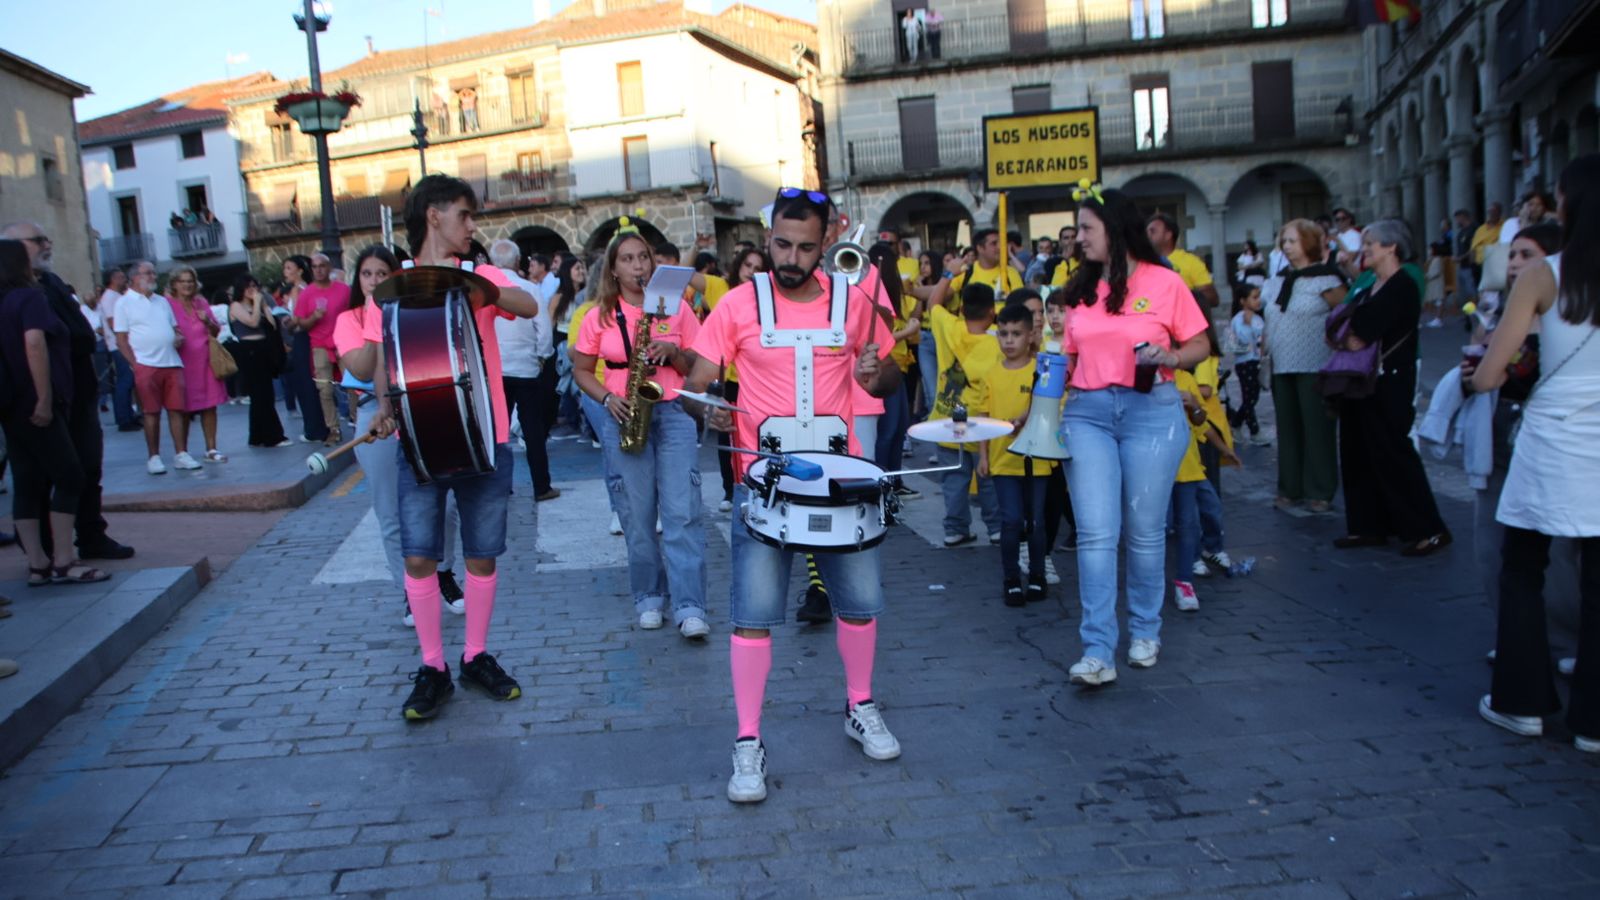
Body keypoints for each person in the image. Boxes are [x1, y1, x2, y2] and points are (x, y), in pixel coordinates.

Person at [683, 186, 903, 804]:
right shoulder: (736, 305)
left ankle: (860, 706)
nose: (791, 257)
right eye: (781, 243)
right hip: (763, 484)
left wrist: (871, 373)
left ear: (827, 242)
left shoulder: (854, 302)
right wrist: (715, 408)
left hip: (840, 481)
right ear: (768, 235)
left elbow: (887, 368)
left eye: (806, 247)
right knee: (752, 617)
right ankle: (747, 740)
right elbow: (700, 381)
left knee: (859, 603)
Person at [368, 174, 539, 720]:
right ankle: (433, 665)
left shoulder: (480, 272)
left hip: (486, 436)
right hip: (418, 439)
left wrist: (485, 291)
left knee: (482, 555)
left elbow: (527, 305)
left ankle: (475, 654)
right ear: (434, 216)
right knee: (419, 555)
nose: (472, 225)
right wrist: (384, 407)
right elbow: (384, 359)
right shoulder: (395, 285)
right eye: (464, 215)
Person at [1055, 186, 1210, 686]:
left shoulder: (1165, 282)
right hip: (1088, 414)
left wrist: (1172, 359)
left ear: (1115, 230)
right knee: (1097, 534)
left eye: (1086, 229)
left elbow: (1201, 343)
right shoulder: (1078, 286)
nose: (1078, 239)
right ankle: (1098, 649)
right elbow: (1071, 357)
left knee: (1144, 532)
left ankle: (1146, 629)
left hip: (1152, 411)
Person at [1472, 153, 1600, 752]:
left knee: (1523, 567)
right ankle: (1594, 722)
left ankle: (1521, 701)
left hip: (1554, 440)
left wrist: (1482, 377)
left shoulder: (1545, 274)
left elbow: (1493, 371)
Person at [572, 224, 709, 639]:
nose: (638, 266)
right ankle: (649, 597)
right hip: (624, 414)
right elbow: (580, 370)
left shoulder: (676, 307)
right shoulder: (597, 315)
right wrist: (607, 399)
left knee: (682, 512)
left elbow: (699, 368)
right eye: (627, 260)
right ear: (613, 269)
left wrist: (675, 352)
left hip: (672, 412)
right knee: (637, 515)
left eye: (643, 258)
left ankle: (689, 606)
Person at [2, 223, 132, 560]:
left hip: (74, 391)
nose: (48, 244)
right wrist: (44, 398)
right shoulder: (21, 293)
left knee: (85, 468)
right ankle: (52, 555)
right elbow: (34, 343)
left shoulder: (49, 282)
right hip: (40, 398)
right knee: (52, 476)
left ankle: (82, 539)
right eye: (38, 240)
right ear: (14, 249)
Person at [1331, 219, 1450, 556]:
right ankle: (1369, 525)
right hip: (1362, 379)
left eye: (1371, 243)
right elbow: (1343, 325)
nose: (1364, 249)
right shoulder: (1370, 283)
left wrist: (1352, 327)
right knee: (1357, 449)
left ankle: (1427, 527)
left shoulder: (1403, 284)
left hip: (1390, 377)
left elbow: (1362, 328)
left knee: (1392, 450)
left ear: (1391, 247)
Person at [1262, 219, 1346, 513]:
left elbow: (1346, 315)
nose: (1286, 247)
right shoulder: (1275, 281)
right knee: (1287, 428)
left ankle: (1320, 489)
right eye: (1283, 241)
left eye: (1292, 241)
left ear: (1308, 243)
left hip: (1315, 363)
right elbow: (1270, 319)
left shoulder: (1327, 280)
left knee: (1317, 428)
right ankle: (1290, 487)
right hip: (1281, 363)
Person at [975, 303, 1055, 606]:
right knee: (1010, 521)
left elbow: (1050, 405)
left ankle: (1037, 576)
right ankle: (1010, 578)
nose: (1009, 340)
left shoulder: (1042, 368)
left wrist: (1026, 417)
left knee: (1035, 522)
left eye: (1016, 334)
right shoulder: (991, 374)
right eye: (1004, 334)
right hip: (1003, 461)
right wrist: (983, 456)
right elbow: (982, 418)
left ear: (1030, 335)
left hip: (1037, 460)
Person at [929, 283, 1002, 546]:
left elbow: (933, 305)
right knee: (988, 476)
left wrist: (949, 275)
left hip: (947, 422)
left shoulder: (950, 327)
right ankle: (996, 527)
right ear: (992, 312)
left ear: (961, 309)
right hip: (982, 424)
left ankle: (955, 528)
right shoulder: (997, 342)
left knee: (953, 479)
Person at [490, 240, 560, 503]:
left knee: (498, 432)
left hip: (497, 369)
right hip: (527, 368)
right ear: (518, 261)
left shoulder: (487, 291)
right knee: (533, 431)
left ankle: (499, 485)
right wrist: (542, 356)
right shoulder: (529, 288)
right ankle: (541, 486)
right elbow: (543, 330)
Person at [114, 261, 198, 474]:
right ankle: (154, 456)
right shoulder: (123, 303)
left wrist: (177, 336)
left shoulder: (162, 301)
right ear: (135, 277)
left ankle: (181, 453)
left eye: (153, 273)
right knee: (150, 412)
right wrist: (135, 364)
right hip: (146, 364)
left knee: (177, 410)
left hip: (171, 361)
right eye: (148, 273)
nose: (153, 276)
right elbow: (121, 339)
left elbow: (174, 327)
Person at [706, 246, 769, 510]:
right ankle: (729, 490)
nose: (751, 272)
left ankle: (760, 484)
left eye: (758, 268)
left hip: (757, 379)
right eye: (748, 266)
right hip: (728, 379)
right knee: (727, 436)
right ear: (738, 267)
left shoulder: (768, 299)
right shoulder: (721, 288)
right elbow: (683, 274)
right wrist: (699, 247)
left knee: (757, 435)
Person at [164, 266, 229, 463]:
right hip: (181, 362)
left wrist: (207, 320)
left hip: (205, 361)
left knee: (210, 406)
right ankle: (182, 452)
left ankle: (211, 448)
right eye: (182, 281)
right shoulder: (166, 304)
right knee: (182, 407)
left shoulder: (201, 302)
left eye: (190, 281)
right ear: (174, 284)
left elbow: (216, 331)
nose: (187, 285)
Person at [228, 274, 290, 447]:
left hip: (263, 349)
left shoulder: (257, 304)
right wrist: (256, 304)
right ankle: (273, 436)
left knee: (263, 394)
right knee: (261, 394)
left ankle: (257, 436)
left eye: (255, 286)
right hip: (248, 350)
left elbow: (271, 324)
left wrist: (263, 305)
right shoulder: (235, 306)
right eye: (248, 287)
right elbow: (253, 322)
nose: (252, 290)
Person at [294, 253, 350, 446]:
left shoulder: (343, 290)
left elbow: (354, 312)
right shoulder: (307, 294)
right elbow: (300, 323)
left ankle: (358, 421)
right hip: (319, 346)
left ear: (329, 268)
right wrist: (314, 318)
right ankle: (333, 429)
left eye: (322, 266)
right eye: (315, 267)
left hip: (343, 343)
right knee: (324, 389)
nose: (318, 270)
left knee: (352, 385)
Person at [1146, 213, 1220, 312]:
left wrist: (1178, 298)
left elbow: (1213, 299)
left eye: (1152, 231)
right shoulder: (1141, 263)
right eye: (1146, 232)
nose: (1147, 236)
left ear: (1168, 235)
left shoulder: (1191, 262)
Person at [278, 255, 317, 432]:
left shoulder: (299, 290)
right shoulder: (305, 288)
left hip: (302, 336)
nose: (285, 272)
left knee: (305, 382)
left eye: (288, 268)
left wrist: (289, 322)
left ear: (299, 270)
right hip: (305, 336)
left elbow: (299, 317)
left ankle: (313, 427)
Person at [99, 267, 139, 432]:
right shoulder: (109, 297)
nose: (125, 280)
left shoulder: (116, 296)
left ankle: (128, 415)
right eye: (122, 277)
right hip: (118, 344)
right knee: (125, 380)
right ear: (113, 279)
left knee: (127, 381)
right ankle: (123, 418)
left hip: (122, 343)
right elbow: (112, 322)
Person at [1228, 283, 1267, 444]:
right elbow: (1244, 341)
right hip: (1245, 362)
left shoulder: (1257, 317)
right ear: (1243, 301)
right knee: (1249, 397)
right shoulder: (1239, 320)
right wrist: (1251, 326)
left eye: (1259, 297)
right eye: (1254, 297)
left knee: (1253, 396)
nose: (1258, 301)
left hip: (1257, 361)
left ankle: (1236, 423)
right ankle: (1254, 430)